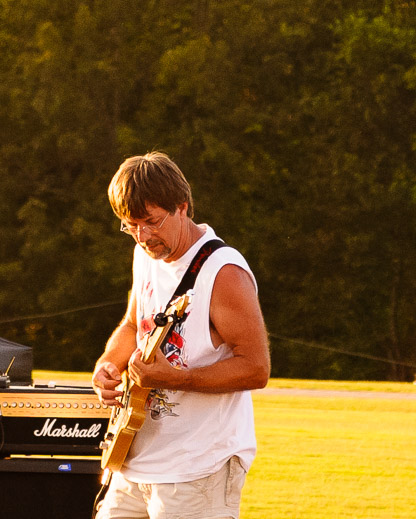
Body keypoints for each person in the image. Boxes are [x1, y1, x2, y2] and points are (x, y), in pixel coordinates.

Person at [91, 152, 270, 519]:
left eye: (150, 222)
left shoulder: (224, 273)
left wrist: (177, 379)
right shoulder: (146, 255)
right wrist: (108, 364)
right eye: (130, 226)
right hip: (134, 456)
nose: (142, 236)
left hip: (198, 466)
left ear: (182, 207)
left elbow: (256, 368)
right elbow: (131, 325)